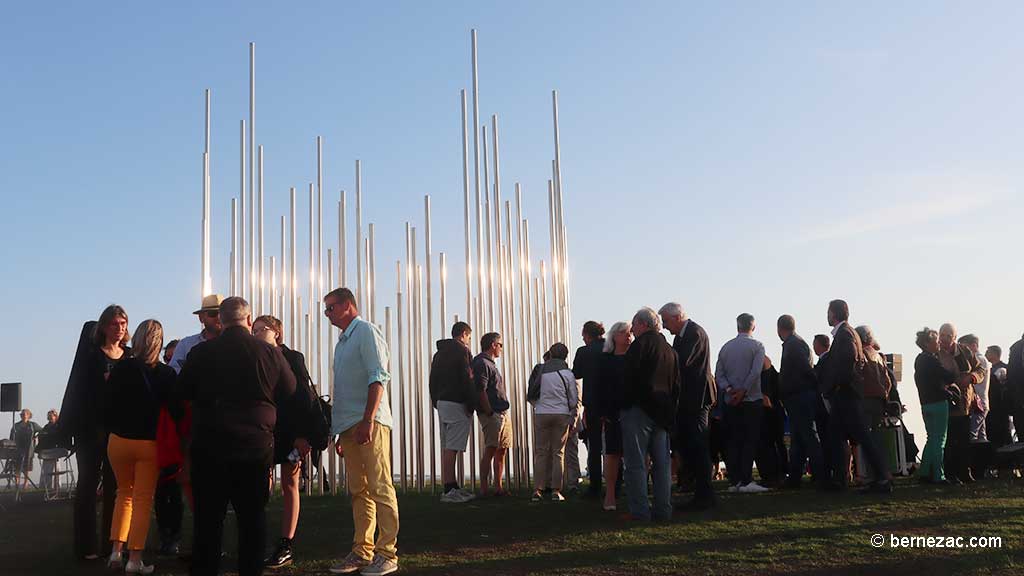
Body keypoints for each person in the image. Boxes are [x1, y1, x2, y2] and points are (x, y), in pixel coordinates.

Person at [177, 297, 298, 576]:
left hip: (210, 445)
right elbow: (290, 389)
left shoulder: (201, 353)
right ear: (248, 317)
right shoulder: (269, 353)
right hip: (254, 446)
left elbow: (181, 393)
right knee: (252, 520)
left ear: (221, 318)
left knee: (208, 522)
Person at [323, 288, 399, 576]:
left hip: (370, 422)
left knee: (380, 486)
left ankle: (387, 552)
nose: (327, 314)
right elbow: (342, 389)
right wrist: (339, 429)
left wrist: (368, 419)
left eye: (330, 308)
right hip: (349, 426)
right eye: (326, 309)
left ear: (347, 305)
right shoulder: (342, 343)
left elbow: (378, 377)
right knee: (359, 491)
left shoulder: (366, 331)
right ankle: (362, 550)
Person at [105, 319, 176, 574]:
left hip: (118, 441)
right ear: (158, 342)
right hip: (148, 444)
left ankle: (115, 552)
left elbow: (108, 404)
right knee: (143, 500)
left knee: (123, 494)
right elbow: (176, 410)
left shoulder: (121, 368)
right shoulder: (167, 374)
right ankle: (135, 560)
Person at [58, 305, 129, 560]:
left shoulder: (130, 356)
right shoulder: (90, 356)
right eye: (114, 324)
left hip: (119, 431)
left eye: (123, 323)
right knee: (87, 486)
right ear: (104, 327)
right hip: (90, 431)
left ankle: (113, 545)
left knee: (116, 488)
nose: (119, 329)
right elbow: (78, 393)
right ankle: (85, 547)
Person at [253, 315, 320, 570]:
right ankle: (258, 538)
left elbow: (305, 396)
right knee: (260, 484)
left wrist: (303, 435)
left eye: (263, 329)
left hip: (290, 430)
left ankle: (286, 543)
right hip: (263, 431)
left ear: (277, 333)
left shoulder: (293, 357)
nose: (257, 333)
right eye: (255, 329)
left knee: (290, 482)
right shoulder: (253, 357)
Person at [820, 300, 893, 494]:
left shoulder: (845, 334)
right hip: (845, 393)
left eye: (828, 312)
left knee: (862, 436)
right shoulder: (847, 333)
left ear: (833, 313)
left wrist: (835, 385)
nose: (826, 315)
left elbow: (848, 362)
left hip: (846, 394)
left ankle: (881, 478)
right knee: (837, 435)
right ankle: (841, 479)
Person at [620, 307, 679, 521]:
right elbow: (676, 385)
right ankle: (664, 510)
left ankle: (640, 511)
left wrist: (624, 405)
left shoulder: (639, 347)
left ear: (643, 324)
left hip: (639, 411)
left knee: (636, 464)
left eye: (634, 325)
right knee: (662, 465)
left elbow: (628, 379)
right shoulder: (669, 350)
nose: (632, 330)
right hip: (662, 413)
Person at [659, 302, 717, 510]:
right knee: (691, 445)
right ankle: (698, 490)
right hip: (689, 399)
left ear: (676, 317)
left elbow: (682, 364)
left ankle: (705, 494)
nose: (664, 326)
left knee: (699, 444)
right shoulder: (685, 335)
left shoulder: (694, 333)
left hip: (697, 399)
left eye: (665, 321)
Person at [716, 313, 768, 493]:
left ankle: (735, 479)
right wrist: (744, 390)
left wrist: (730, 390)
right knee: (750, 440)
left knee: (733, 440)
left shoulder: (725, 348)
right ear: (753, 327)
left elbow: (719, 375)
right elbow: (755, 372)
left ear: (737, 326)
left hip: (731, 401)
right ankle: (746, 479)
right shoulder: (758, 346)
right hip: (751, 399)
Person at [429, 321, 477, 503]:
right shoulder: (462, 351)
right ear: (464, 333)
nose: (468, 341)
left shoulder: (439, 354)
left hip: (442, 401)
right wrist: (471, 403)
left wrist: (436, 401)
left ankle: (453, 485)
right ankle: (449, 489)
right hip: (457, 401)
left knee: (448, 445)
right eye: (469, 337)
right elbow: (468, 378)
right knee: (453, 446)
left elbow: (432, 380)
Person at [776, 315, 824, 489]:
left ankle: (820, 474)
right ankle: (795, 476)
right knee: (799, 438)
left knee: (808, 436)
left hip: (799, 396)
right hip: (799, 395)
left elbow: (805, 369)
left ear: (780, 329)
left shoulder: (793, 345)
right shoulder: (796, 343)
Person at [527, 342, 578, 502]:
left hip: (542, 412)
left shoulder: (541, 371)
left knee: (541, 452)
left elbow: (532, 393)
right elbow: (573, 399)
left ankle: (538, 490)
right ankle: (556, 491)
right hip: (561, 413)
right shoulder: (568, 374)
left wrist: (539, 405)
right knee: (558, 453)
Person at [937, 323, 984, 484]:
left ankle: (965, 472)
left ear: (955, 338)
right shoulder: (935, 353)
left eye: (948, 336)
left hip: (965, 403)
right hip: (946, 402)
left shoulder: (964, 351)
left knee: (964, 440)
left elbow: (980, 370)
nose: (943, 339)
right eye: (941, 335)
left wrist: (971, 378)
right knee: (949, 440)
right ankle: (950, 473)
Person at [913, 328, 958, 484]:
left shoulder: (919, 360)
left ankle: (924, 472)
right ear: (927, 343)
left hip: (925, 404)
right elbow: (949, 376)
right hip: (938, 403)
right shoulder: (932, 360)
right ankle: (939, 475)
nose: (938, 343)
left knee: (931, 438)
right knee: (939, 440)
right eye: (936, 341)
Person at [597, 321, 630, 511]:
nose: (629, 336)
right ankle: (610, 495)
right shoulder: (606, 360)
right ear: (615, 336)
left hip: (633, 411)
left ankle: (637, 493)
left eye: (630, 333)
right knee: (612, 453)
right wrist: (603, 412)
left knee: (638, 454)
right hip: (612, 412)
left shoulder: (635, 358)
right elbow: (599, 387)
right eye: (625, 333)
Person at [473, 332, 512, 498]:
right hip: (493, 413)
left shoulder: (490, 363)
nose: (502, 348)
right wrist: (488, 411)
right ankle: (483, 488)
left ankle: (498, 487)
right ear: (493, 345)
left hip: (501, 412)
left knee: (501, 450)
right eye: (500, 345)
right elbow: (480, 389)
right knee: (490, 448)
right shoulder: (482, 362)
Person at [572, 321, 606, 499]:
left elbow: (576, 373)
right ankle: (616, 484)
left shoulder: (584, 352)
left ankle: (595, 487)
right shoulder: (611, 347)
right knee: (613, 446)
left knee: (594, 448)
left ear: (587, 334)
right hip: (611, 402)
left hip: (593, 403)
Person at [169, 295, 225, 373]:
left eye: (222, 313)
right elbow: (174, 372)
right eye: (213, 313)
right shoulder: (185, 345)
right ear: (201, 318)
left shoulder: (235, 344)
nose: (219, 317)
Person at [855, 326, 893, 434]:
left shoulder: (859, 354)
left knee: (863, 437)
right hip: (879, 402)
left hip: (864, 401)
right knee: (876, 436)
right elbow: (888, 382)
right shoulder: (879, 357)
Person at [756, 356, 788, 486]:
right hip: (775, 410)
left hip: (770, 410)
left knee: (770, 442)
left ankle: (774, 475)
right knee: (778, 442)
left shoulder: (764, 372)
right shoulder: (772, 372)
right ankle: (781, 473)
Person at [958, 334, 990, 442]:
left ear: (974, 346)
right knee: (981, 437)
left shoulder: (979, 359)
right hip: (980, 403)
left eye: (965, 347)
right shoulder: (982, 359)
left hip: (978, 404)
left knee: (972, 435)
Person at [9, 409, 41, 493]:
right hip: (18, 448)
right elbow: (11, 436)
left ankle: (26, 483)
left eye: (25, 414)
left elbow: (42, 431)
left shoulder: (32, 425)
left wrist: (36, 436)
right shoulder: (16, 425)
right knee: (17, 467)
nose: (23, 415)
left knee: (27, 466)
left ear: (29, 415)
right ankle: (17, 483)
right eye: (22, 414)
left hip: (28, 448)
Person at [986, 345, 1012, 448]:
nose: (985, 354)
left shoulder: (1002, 369)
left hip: (1000, 407)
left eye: (988, 352)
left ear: (994, 353)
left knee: (1003, 431)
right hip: (992, 407)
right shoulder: (991, 369)